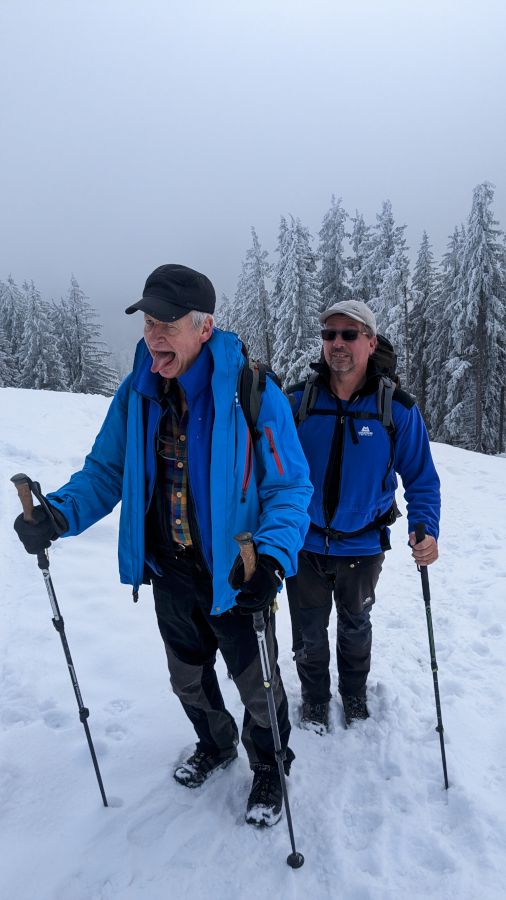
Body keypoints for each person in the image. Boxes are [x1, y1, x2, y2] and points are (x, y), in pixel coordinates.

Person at [14, 264, 312, 827]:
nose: (153, 337)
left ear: (204, 328)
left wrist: (272, 557)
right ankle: (216, 744)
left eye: (167, 324)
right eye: (148, 323)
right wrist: (59, 513)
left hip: (238, 575)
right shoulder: (138, 392)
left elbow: (289, 487)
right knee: (187, 677)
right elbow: (106, 471)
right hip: (170, 571)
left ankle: (270, 766)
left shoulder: (251, 392)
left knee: (257, 683)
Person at [285, 299, 440, 731]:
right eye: (329, 334)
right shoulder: (297, 402)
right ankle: (315, 699)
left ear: (370, 342)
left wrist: (425, 528)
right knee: (308, 632)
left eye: (349, 334)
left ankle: (354, 693)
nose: (337, 342)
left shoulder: (396, 409)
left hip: (363, 544)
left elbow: (422, 478)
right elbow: (267, 471)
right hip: (304, 543)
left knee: (355, 627)